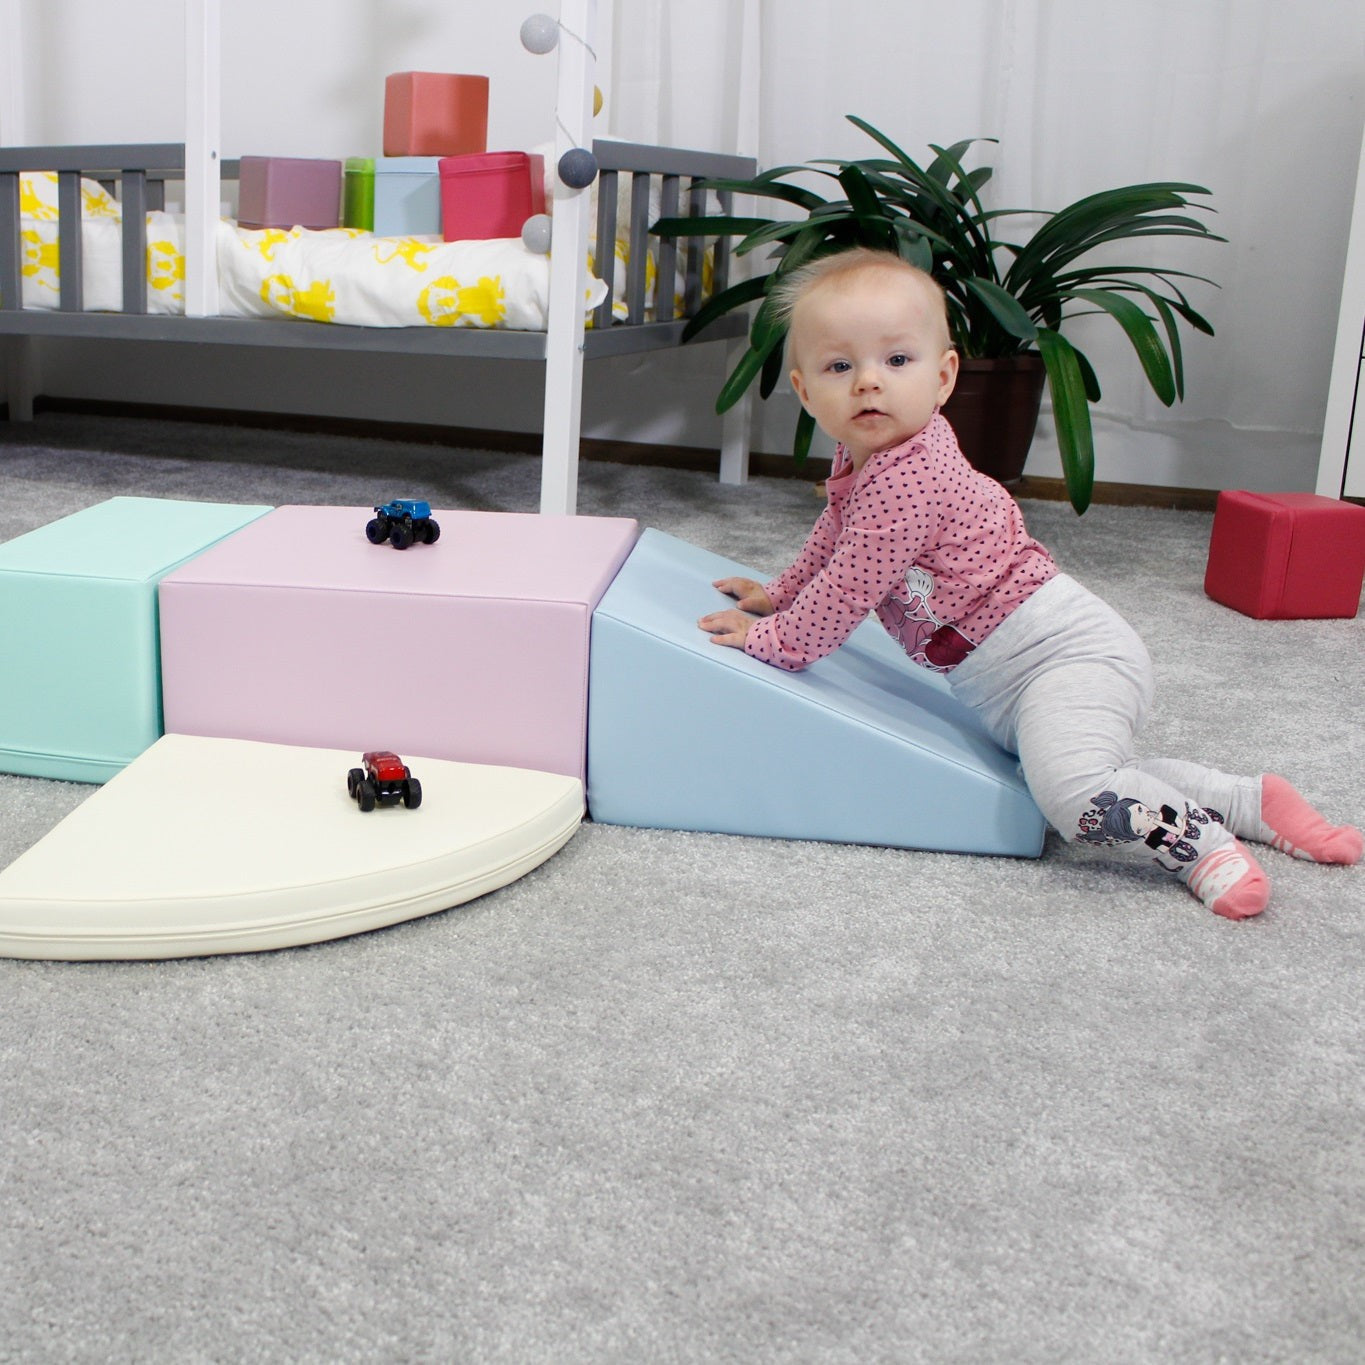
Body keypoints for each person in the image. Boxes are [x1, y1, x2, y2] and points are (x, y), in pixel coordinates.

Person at [697, 247, 1361, 919]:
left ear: (942, 375)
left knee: (1072, 795)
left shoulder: (906, 476)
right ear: (807, 390)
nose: (869, 382)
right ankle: (1253, 800)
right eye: (841, 366)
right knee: (1089, 770)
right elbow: (835, 535)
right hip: (1007, 679)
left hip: (1061, 655)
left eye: (896, 360)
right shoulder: (863, 454)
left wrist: (771, 637)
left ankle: (1202, 845)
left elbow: (847, 590)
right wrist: (778, 591)